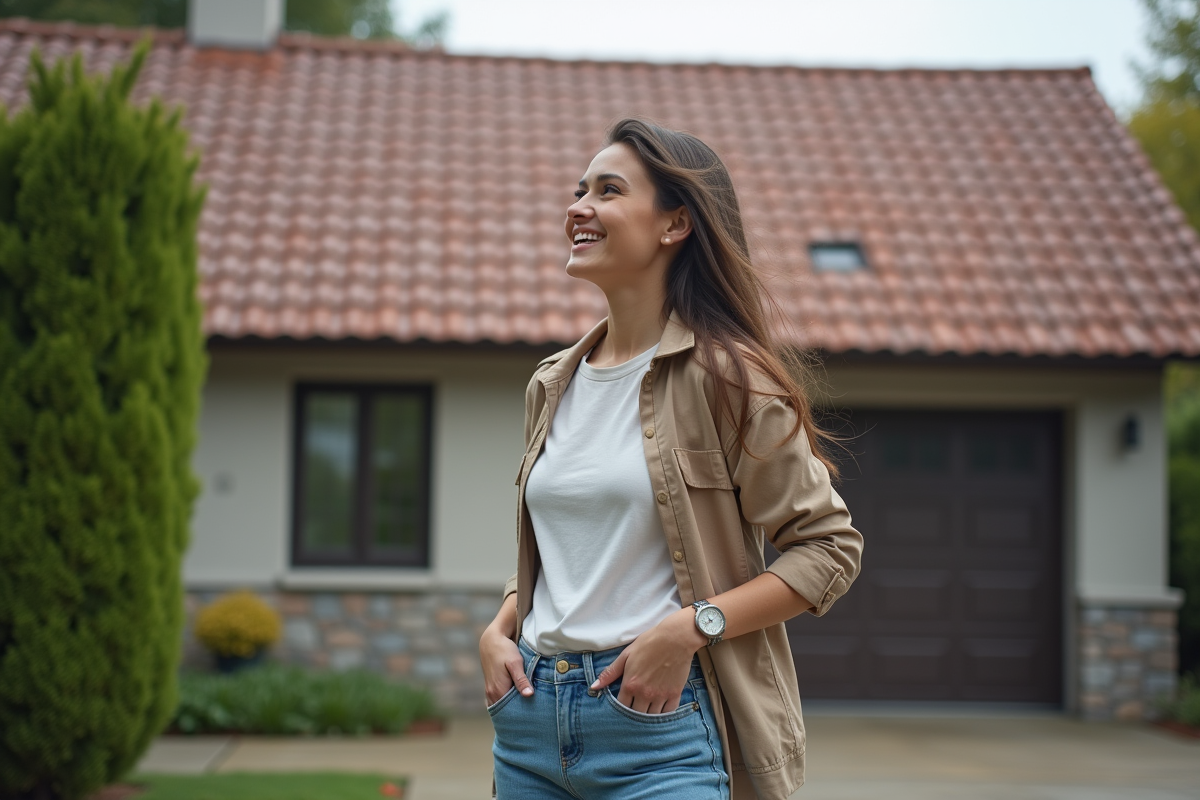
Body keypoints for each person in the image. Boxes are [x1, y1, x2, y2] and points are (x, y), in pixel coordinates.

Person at [478, 117, 863, 800]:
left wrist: (691, 629)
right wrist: (499, 626)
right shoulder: (551, 384)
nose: (578, 207)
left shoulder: (729, 379)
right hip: (530, 726)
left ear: (673, 224)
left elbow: (828, 550)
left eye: (608, 191)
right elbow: (571, 555)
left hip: (658, 730)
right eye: (578, 190)